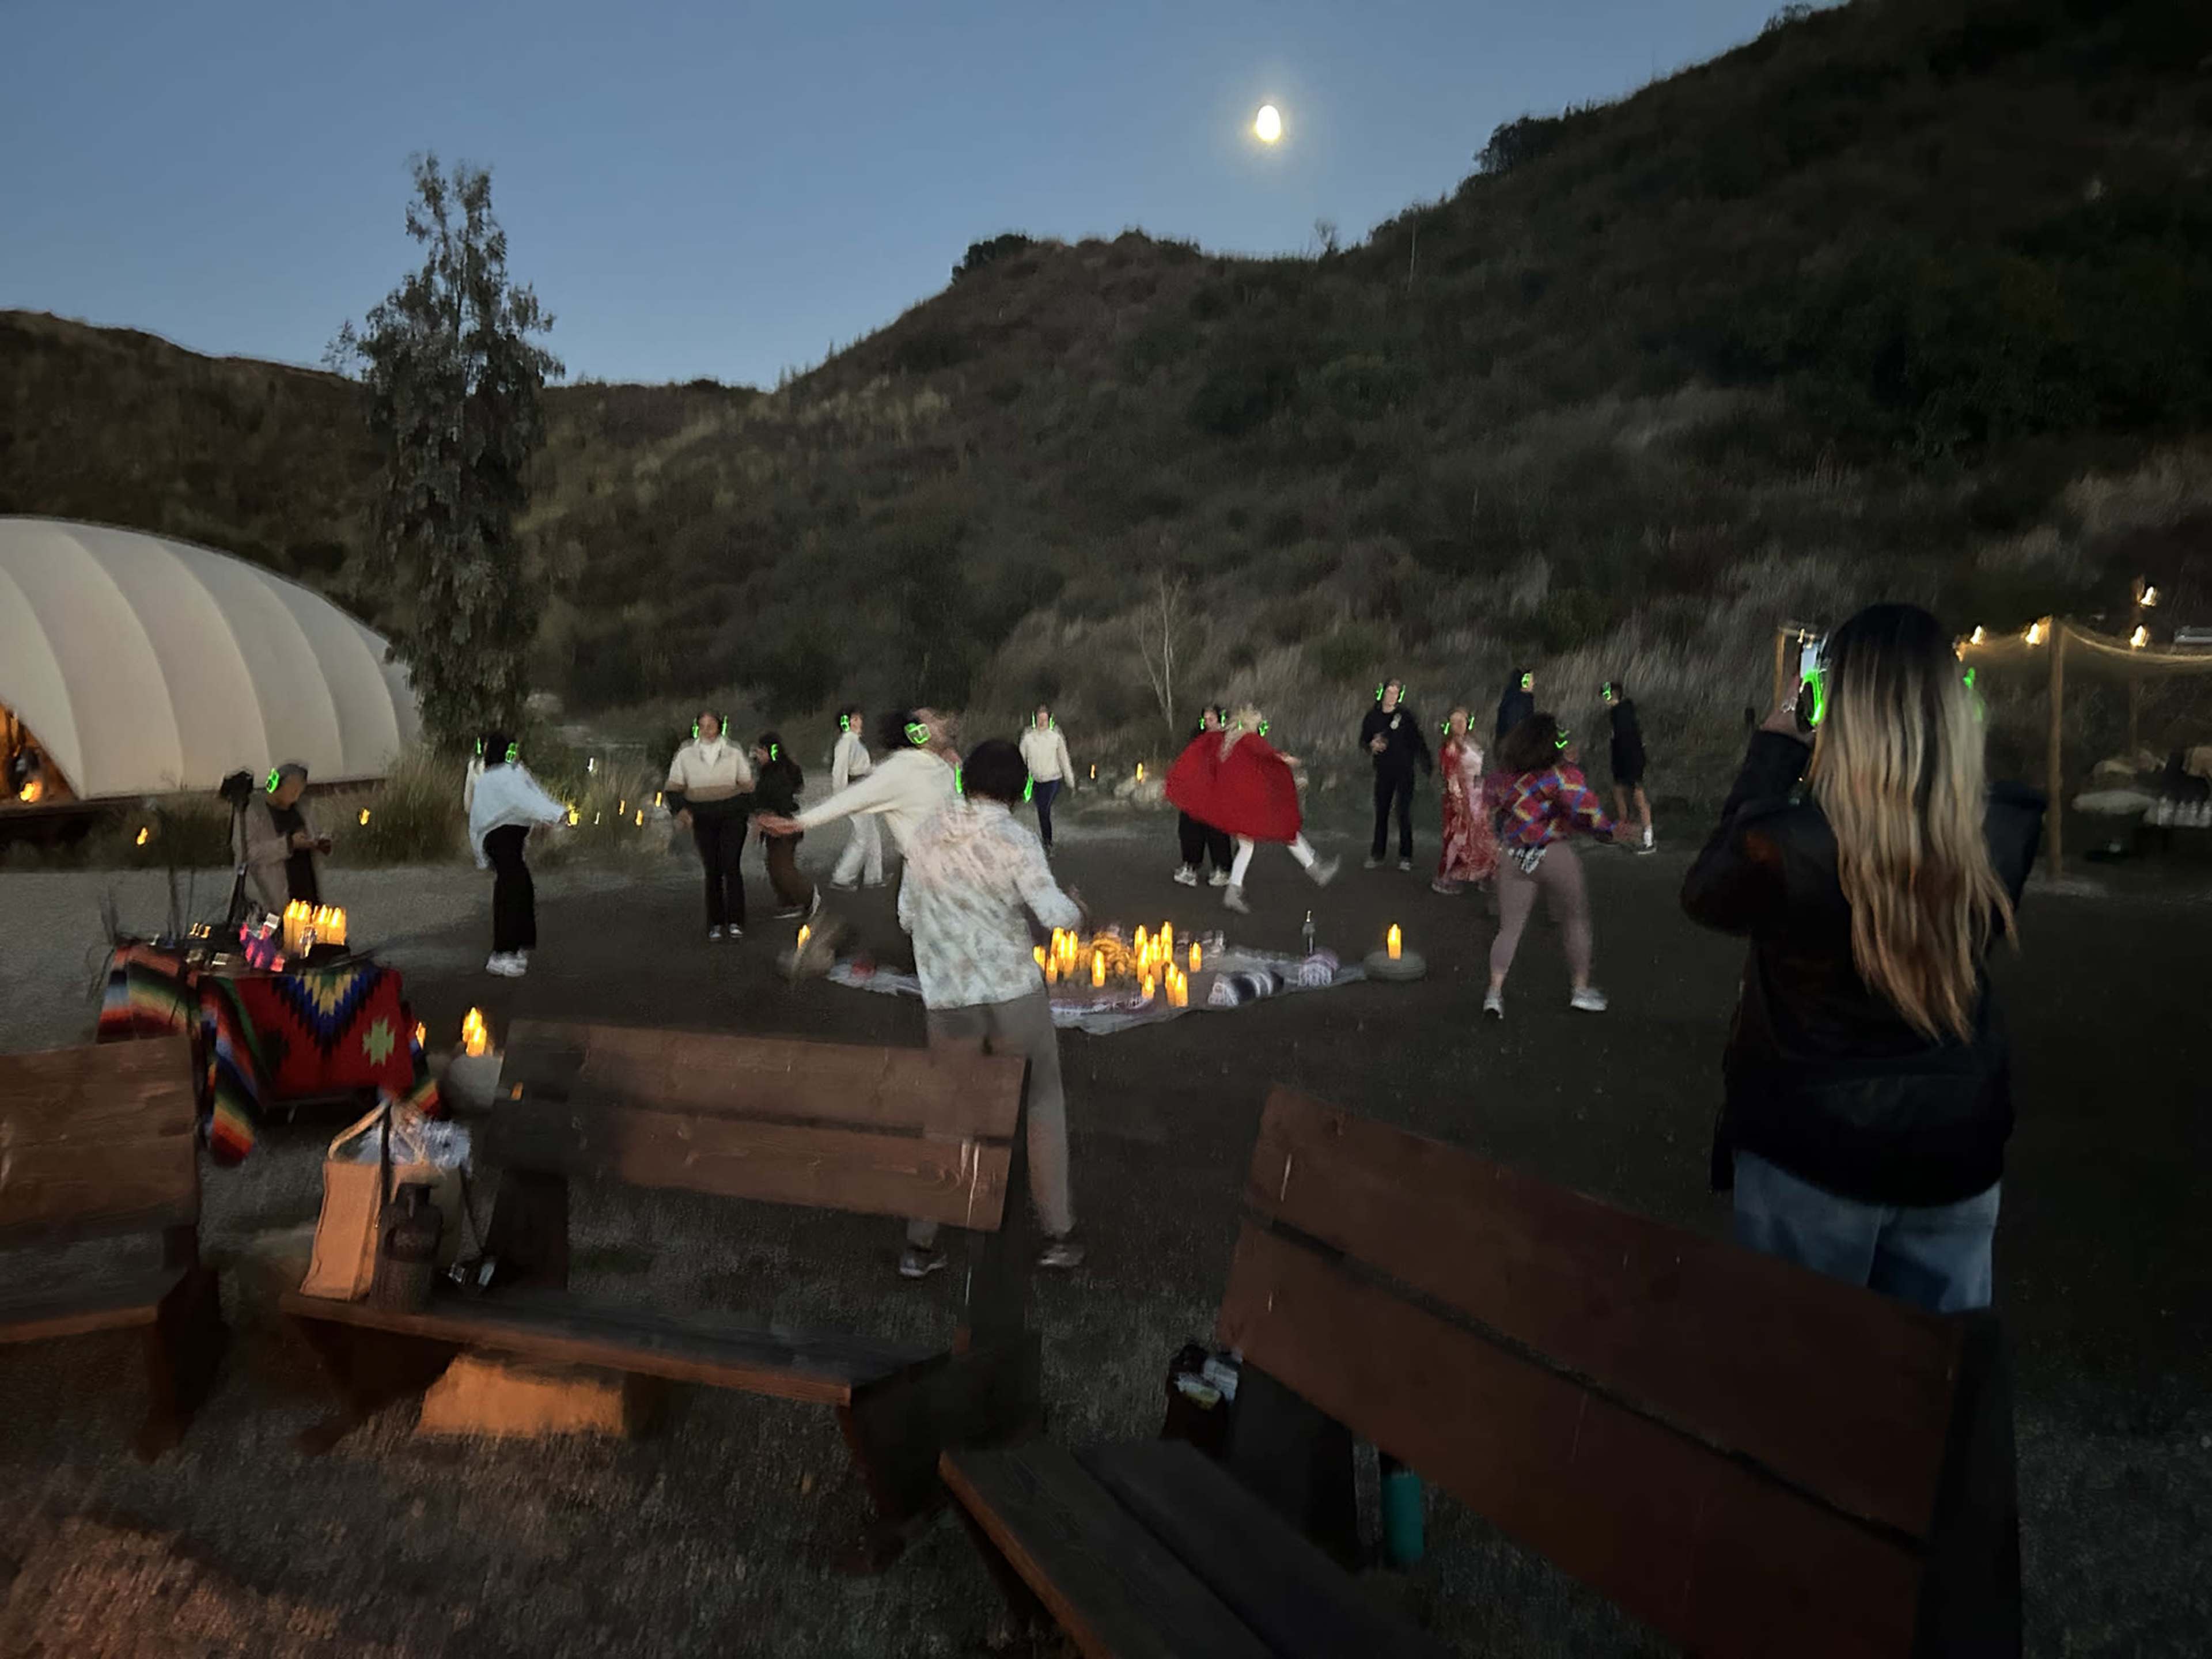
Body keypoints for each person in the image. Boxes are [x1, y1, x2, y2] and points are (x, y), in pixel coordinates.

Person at [1681, 603, 2044, 1314]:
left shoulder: (1786, 842)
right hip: (1957, 1145)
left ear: (1834, 706)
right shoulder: (2006, 828)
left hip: (1810, 1151)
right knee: (1933, 1389)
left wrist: (1775, 748)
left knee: (1799, 1378)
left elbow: (1705, 894)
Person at [895, 738, 1086, 1279]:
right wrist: (1080, 910)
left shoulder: (927, 836)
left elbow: (907, 916)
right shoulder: (1016, 839)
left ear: (965, 781)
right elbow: (1056, 916)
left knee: (949, 1113)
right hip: (1012, 995)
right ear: (1021, 789)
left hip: (949, 1000)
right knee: (1042, 1104)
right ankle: (1058, 1232)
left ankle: (922, 1242)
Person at [1484, 713, 1616, 1017]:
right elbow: (1587, 812)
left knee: (1509, 929)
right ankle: (1580, 990)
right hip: (1552, 852)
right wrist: (1609, 832)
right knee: (1575, 920)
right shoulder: (1562, 776)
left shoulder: (1503, 779)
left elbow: (1489, 804)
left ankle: (1494, 993)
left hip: (1515, 854)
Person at [1165, 706, 1338, 914]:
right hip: (1249, 806)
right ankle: (1316, 870)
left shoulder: (1229, 740)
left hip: (1236, 805)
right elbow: (1270, 755)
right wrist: (1295, 762)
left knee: (1249, 846)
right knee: (1286, 831)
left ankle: (1234, 891)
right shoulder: (1248, 739)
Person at [756, 707, 959, 861]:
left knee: (869, 843)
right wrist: (799, 822)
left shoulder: (939, 765)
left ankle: (861, 878)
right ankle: (846, 881)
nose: (942, 722)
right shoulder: (900, 770)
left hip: (959, 867)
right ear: (917, 733)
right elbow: (851, 798)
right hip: (932, 874)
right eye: (933, 719)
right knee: (864, 842)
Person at [467, 732, 566, 978]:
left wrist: (552, 812)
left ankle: (517, 947)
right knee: (512, 889)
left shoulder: (512, 774)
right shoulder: (496, 778)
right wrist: (554, 813)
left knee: (520, 887)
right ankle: (503, 952)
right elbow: (523, 800)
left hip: (509, 841)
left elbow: (534, 796)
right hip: (500, 841)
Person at [665, 711, 755, 941]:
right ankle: (715, 921)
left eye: (711, 725)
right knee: (712, 869)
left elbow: (747, 785)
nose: (707, 730)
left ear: (719, 727)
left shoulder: (734, 752)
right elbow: (673, 788)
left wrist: (746, 811)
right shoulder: (686, 755)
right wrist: (682, 811)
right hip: (703, 816)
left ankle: (736, 920)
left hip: (731, 816)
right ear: (697, 728)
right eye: (703, 726)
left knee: (731, 865)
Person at [1360, 678, 1434, 872]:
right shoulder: (1372, 716)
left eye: (1396, 693)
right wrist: (1371, 746)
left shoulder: (1405, 716)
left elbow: (1418, 740)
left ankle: (1406, 855)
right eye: (1389, 692)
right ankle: (1377, 854)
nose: (1392, 696)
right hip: (1383, 771)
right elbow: (1364, 740)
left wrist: (1427, 763)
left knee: (1403, 812)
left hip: (1405, 771)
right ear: (1383, 693)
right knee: (1382, 812)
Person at [238, 762, 329, 914]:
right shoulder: (255, 813)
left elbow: (314, 834)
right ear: (278, 785)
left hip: (306, 890)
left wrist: (319, 844)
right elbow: (250, 853)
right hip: (274, 893)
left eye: (300, 790)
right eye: (293, 789)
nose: (296, 795)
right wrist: (288, 844)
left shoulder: (301, 810)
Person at [748, 732, 817, 920]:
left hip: (781, 825)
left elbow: (776, 799)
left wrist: (766, 815)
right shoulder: (775, 771)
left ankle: (806, 899)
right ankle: (788, 901)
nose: (758, 756)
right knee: (774, 864)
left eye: (762, 752)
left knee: (782, 866)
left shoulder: (777, 774)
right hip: (775, 826)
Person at [1433, 707, 1498, 895]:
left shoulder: (1472, 742)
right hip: (1461, 797)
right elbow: (1450, 776)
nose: (1459, 726)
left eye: (1462, 721)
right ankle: (1447, 876)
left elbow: (1480, 769)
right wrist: (1458, 801)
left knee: (1482, 836)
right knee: (1458, 837)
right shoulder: (1450, 747)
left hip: (1478, 795)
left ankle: (1483, 874)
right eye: (1454, 722)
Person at [1172, 705, 1236, 888]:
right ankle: (1190, 866)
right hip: (1197, 790)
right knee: (1189, 828)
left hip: (1217, 790)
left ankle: (1222, 869)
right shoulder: (1198, 737)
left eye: (1212, 719)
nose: (1208, 723)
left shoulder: (1227, 738)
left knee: (1216, 831)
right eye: (1205, 719)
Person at [825, 706, 885, 891]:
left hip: (862, 790)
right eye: (856, 719)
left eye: (860, 718)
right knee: (862, 837)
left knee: (872, 835)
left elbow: (863, 768)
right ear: (848, 722)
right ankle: (842, 877)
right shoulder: (846, 742)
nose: (860, 722)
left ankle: (874, 876)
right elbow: (840, 771)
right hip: (855, 792)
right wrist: (840, 797)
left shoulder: (855, 742)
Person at [1603, 680, 1656, 853]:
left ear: (1614, 695)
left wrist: (1631, 766)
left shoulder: (1623, 713)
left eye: (1607, 694)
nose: (1605, 698)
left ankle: (1649, 840)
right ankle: (1624, 831)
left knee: (1638, 797)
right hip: (1622, 763)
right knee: (1618, 792)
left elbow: (1629, 743)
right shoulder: (1616, 713)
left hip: (1631, 762)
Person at [1017, 704, 1076, 853]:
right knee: (1041, 811)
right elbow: (1020, 760)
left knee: (1045, 808)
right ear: (1035, 719)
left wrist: (1071, 782)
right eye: (1040, 719)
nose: (1042, 722)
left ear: (1049, 720)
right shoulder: (1028, 738)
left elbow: (1064, 760)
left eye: (1045, 719)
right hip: (1037, 780)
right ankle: (1046, 840)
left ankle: (1048, 842)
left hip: (1053, 779)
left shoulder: (1055, 738)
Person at [1495, 668, 1536, 745]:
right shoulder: (1517, 703)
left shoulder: (1523, 700)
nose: (1533, 683)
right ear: (1524, 682)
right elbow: (1513, 729)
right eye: (1531, 681)